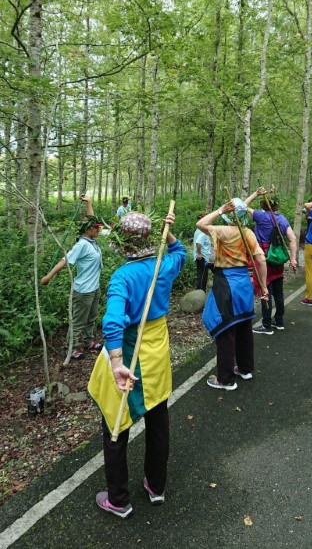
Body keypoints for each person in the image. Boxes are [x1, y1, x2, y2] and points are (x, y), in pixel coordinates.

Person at [88, 209, 186, 518]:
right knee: (157, 414)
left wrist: (116, 362)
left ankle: (118, 498)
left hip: (130, 353)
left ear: (122, 245)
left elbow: (113, 322)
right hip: (157, 349)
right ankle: (156, 486)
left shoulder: (123, 276)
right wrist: (167, 234)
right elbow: (180, 251)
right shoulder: (165, 264)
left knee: (115, 422)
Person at [197, 198, 268, 391]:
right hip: (244, 282)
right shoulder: (248, 233)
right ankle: (245, 369)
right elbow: (260, 259)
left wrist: (220, 210)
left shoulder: (223, 231)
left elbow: (201, 224)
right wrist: (264, 286)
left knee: (225, 327)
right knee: (244, 325)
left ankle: (226, 379)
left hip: (226, 283)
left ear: (230, 215)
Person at [41, 195, 103, 360]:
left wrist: (89, 202)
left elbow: (91, 219)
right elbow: (64, 261)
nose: (99, 230)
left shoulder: (92, 241)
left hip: (94, 288)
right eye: (96, 228)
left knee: (91, 317)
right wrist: (48, 277)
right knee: (78, 320)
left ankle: (88, 342)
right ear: (88, 230)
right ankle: (72, 347)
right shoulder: (81, 245)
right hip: (83, 290)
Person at [244, 187, 297, 334]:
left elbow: (242, 206)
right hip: (277, 259)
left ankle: (266, 325)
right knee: (278, 292)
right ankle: (279, 321)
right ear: (276, 206)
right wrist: (293, 259)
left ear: (264, 206)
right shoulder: (283, 219)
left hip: (263, 259)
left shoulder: (261, 217)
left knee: (264, 291)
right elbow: (292, 239)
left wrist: (255, 194)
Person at [193, 214, 212, 291]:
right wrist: (200, 253)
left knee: (201, 275)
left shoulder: (198, 230)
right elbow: (198, 242)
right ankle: (201, 293)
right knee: (203, 277)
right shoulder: (203, 232)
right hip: (202, 257)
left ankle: (200, 292)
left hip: (201, 257)